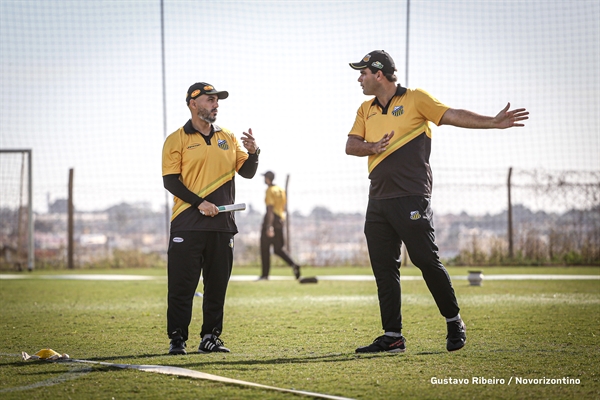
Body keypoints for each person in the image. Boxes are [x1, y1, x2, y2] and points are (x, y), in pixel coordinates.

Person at [345, 50, 528, 353]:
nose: (359, 78)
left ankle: (454, 320)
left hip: (412, 196)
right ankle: (393, 336)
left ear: (379, 74)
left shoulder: (416, 98)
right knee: (384, 269)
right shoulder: (365, 109)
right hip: (377, 199)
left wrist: (493, 123)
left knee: (426, 260)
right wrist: (371, 146)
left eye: (363, 72)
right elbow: (351, 145)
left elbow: (452, 115)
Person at [162, 82, 260, 355]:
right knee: (182, 286)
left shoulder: (227, 137)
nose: (215, 104)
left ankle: (210, 338)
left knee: (217, 287)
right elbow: (170, 181)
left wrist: (253, 153)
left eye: (217, 100)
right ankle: (177, 339)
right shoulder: (176, 139)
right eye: (209, 100)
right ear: (193, 103)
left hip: (222, 226)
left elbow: (248, 172)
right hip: (187, 223)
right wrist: (199, 203)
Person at [258, 171, 301, 280]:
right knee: (278, 249)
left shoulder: (270, 190)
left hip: (271, 220)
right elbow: (284, 208)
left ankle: (265, 275)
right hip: (280, 221)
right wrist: (281, 220)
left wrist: (269, 226)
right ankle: (294, 264)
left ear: (268, 179)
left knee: (265, 249)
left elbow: (270, 209)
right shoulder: (281, 190)